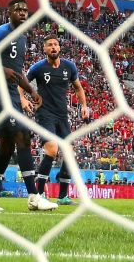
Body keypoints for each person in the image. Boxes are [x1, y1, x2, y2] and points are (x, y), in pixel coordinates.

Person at [0, 0, 58, 212]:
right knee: (22, 136)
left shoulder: (22, 38)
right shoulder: (0, 32)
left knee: (7, 148)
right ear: (8, 12)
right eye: (18, 9)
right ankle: (34, 196)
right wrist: (0, 69)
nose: (23, 13)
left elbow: (16, 73)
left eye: (26, 10)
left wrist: (32, 90)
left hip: (12, 95)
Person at [27, 36, 90, 205]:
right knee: (52, 149)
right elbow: (21, 83)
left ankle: (62, 196)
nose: (53, 47)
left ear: (59, 48)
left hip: (62, 116)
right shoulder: (38, 68)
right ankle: (38, 193)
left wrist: (84, 106)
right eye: (49, 45)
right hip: (45, 114)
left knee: (69, 153)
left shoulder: (69, 66)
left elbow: (78, 87)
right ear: (44, 49)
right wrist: (24, 99)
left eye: (55, 44)